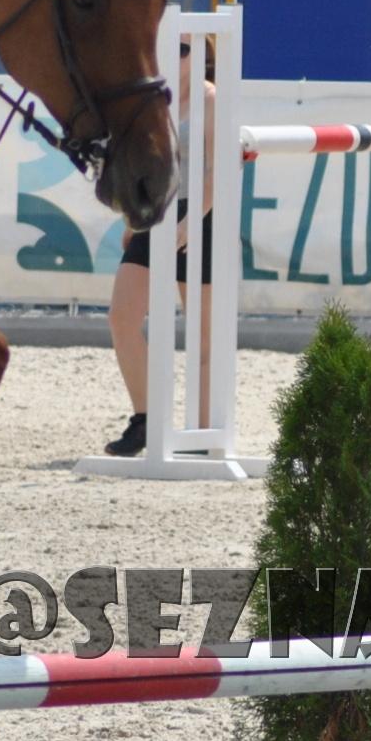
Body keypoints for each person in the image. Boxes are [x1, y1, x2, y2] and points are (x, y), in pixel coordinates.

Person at [104, 41, 236, 456]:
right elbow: (139, 166)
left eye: (183, 48)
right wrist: (132, 219)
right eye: (170, 46)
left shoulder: (213, 100)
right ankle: (145, 419)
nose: (172, 54)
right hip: (158, 215)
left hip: (204, 217)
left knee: (203, 336)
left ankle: (201, 432)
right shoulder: (153, 99)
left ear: (202, 56)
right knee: (122, 317)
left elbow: (218, 172)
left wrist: (190, 223)